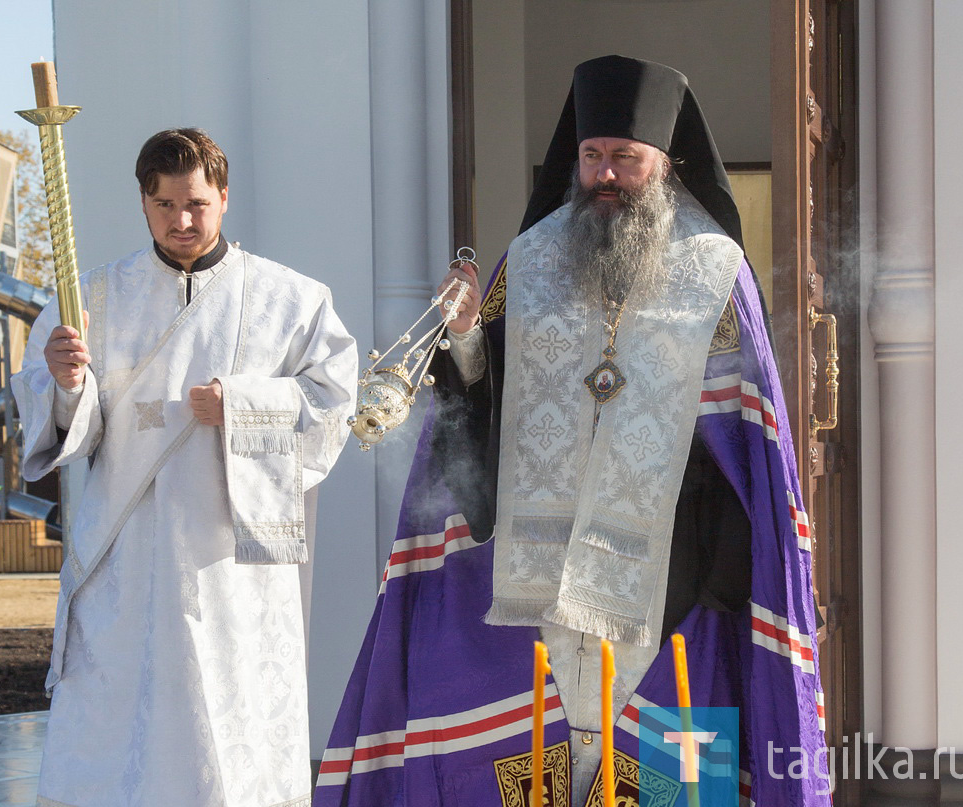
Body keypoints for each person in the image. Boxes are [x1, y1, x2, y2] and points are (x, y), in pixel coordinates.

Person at [315, 57, 827, 806]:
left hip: (671, 576)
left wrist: (719, 582)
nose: (606, 175)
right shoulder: (530, 259)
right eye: (593, 157)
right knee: (542, 763)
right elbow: (479, 405)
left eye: (625, 158)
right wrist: (461, 341)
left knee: (660, 777)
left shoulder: (715, 271)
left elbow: (749, 436)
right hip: (540, 581)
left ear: (663, 162)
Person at [13, 128, 358, 807]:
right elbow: (61, 426)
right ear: (144, 203)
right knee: (122, 741)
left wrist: (245, 404)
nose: (183, 221)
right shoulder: (93, 299)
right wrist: (65, 382)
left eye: (197, 203)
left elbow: (336, 401)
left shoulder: (291, 299)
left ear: (224, 198)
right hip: (126, 557)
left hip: (231, 568)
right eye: (165, 204)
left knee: (230, 738)